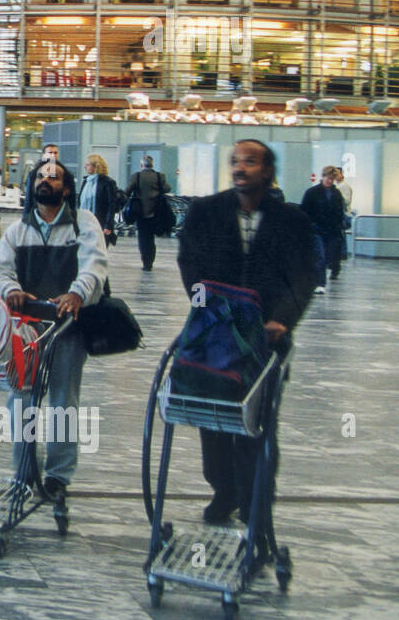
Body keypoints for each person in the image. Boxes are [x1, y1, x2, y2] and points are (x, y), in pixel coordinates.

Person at [176, 140, 316, 525]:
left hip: (267, 341)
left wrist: (283, 319)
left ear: (268, 171)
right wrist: (207, 307)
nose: (240, 168)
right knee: (215, 418)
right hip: (216, 336)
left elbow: (305, 276)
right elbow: (190, 262)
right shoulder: (205, 212)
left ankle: (256, 500)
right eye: (235, 161)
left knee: (258, 421)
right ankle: (224, 491)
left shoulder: (293, 220)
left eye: (250, 162)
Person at [0, 159, 107, 500]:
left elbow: (95, 266)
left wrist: (77, 293)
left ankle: (57, 476)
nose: (45, 181)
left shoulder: (84, 223)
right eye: (40, 176)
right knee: (20, 399)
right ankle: (25, 470)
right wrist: (10, 290)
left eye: (53, 177)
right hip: (26, 329)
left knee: (62, 403)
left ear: (66, 188)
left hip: (68, 327)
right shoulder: (18, 229)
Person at [299, 166, 346, 295]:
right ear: (323, 176)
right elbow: (304, 211)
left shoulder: (336, 194)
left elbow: (339, 211)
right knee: (320, 256)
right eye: (327, 178)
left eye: (332, 179)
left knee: (328, 257)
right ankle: (320, 283)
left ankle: (319, 281)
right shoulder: (312, 192)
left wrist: (339, 225)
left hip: (332, 231)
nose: (329, 181)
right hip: (317, 230)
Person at [125, 154, 170, 270]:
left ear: (141, 165)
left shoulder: (137, 176)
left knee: (143, 238)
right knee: (151, 239)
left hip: (141, 212)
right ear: (152, 164)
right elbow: (167, 188)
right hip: (156, 211)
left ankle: (146, 263)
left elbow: (127, 191)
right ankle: (150, 261)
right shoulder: (160, 176)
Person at [77, 153, 118, 247]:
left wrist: (108, 225)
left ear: (95, 167)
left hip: (100, 224)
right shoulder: (86, 181)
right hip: (84, 224)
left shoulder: (108, 182)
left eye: (87, 165)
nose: (84, 167)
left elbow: (111, 205)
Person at [20, 144, 61, 219]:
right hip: (38, 214)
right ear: (44, 155)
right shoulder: (35, 173)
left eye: (55, 153)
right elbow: (29, 198)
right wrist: (26, 218)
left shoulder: (63, 173)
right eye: (50, 153)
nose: (53, 155)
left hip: (58, 215)